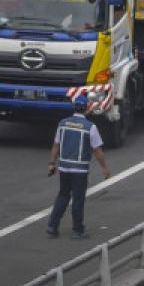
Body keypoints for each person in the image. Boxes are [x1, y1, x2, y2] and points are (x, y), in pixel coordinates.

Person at [46, 95, 112, 239]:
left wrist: (52, 163)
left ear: (74, 107)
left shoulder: (63, 124)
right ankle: (77, 230)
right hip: (80, 170)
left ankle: (52, 225)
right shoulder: (90, 127)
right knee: (78, 199)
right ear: (87, 108)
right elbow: (97, 150)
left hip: (64, 168)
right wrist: (105, 168)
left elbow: (56, 145)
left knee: (62, 196)